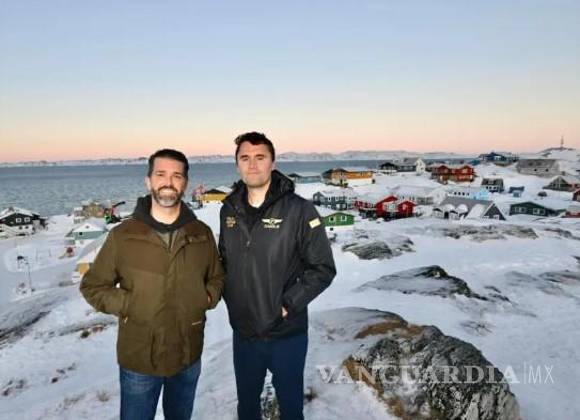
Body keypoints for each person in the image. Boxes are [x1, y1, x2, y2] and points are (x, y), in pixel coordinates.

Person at [80, 149, 224, 420]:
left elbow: (217, 277)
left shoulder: (201, 234)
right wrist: (131, 304)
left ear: (185, 183)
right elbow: (93, 286)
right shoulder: (123, 235)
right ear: (148, 181)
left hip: (188, 353)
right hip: (140, 358)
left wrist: (206, 297)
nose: (168, 182)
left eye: (177, 175)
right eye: (161, 174)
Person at [219, 132, 336, 420]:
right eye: (245, 158)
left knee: (291, 409)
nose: (252, 164)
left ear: (272, 163)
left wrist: (286, 305)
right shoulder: (228, 210)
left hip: (286, 334)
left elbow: (323, 268)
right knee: (247, 407)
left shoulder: (299, 210)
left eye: (260, 157)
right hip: (244, 334)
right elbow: (225, 261)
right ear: (237, 164)